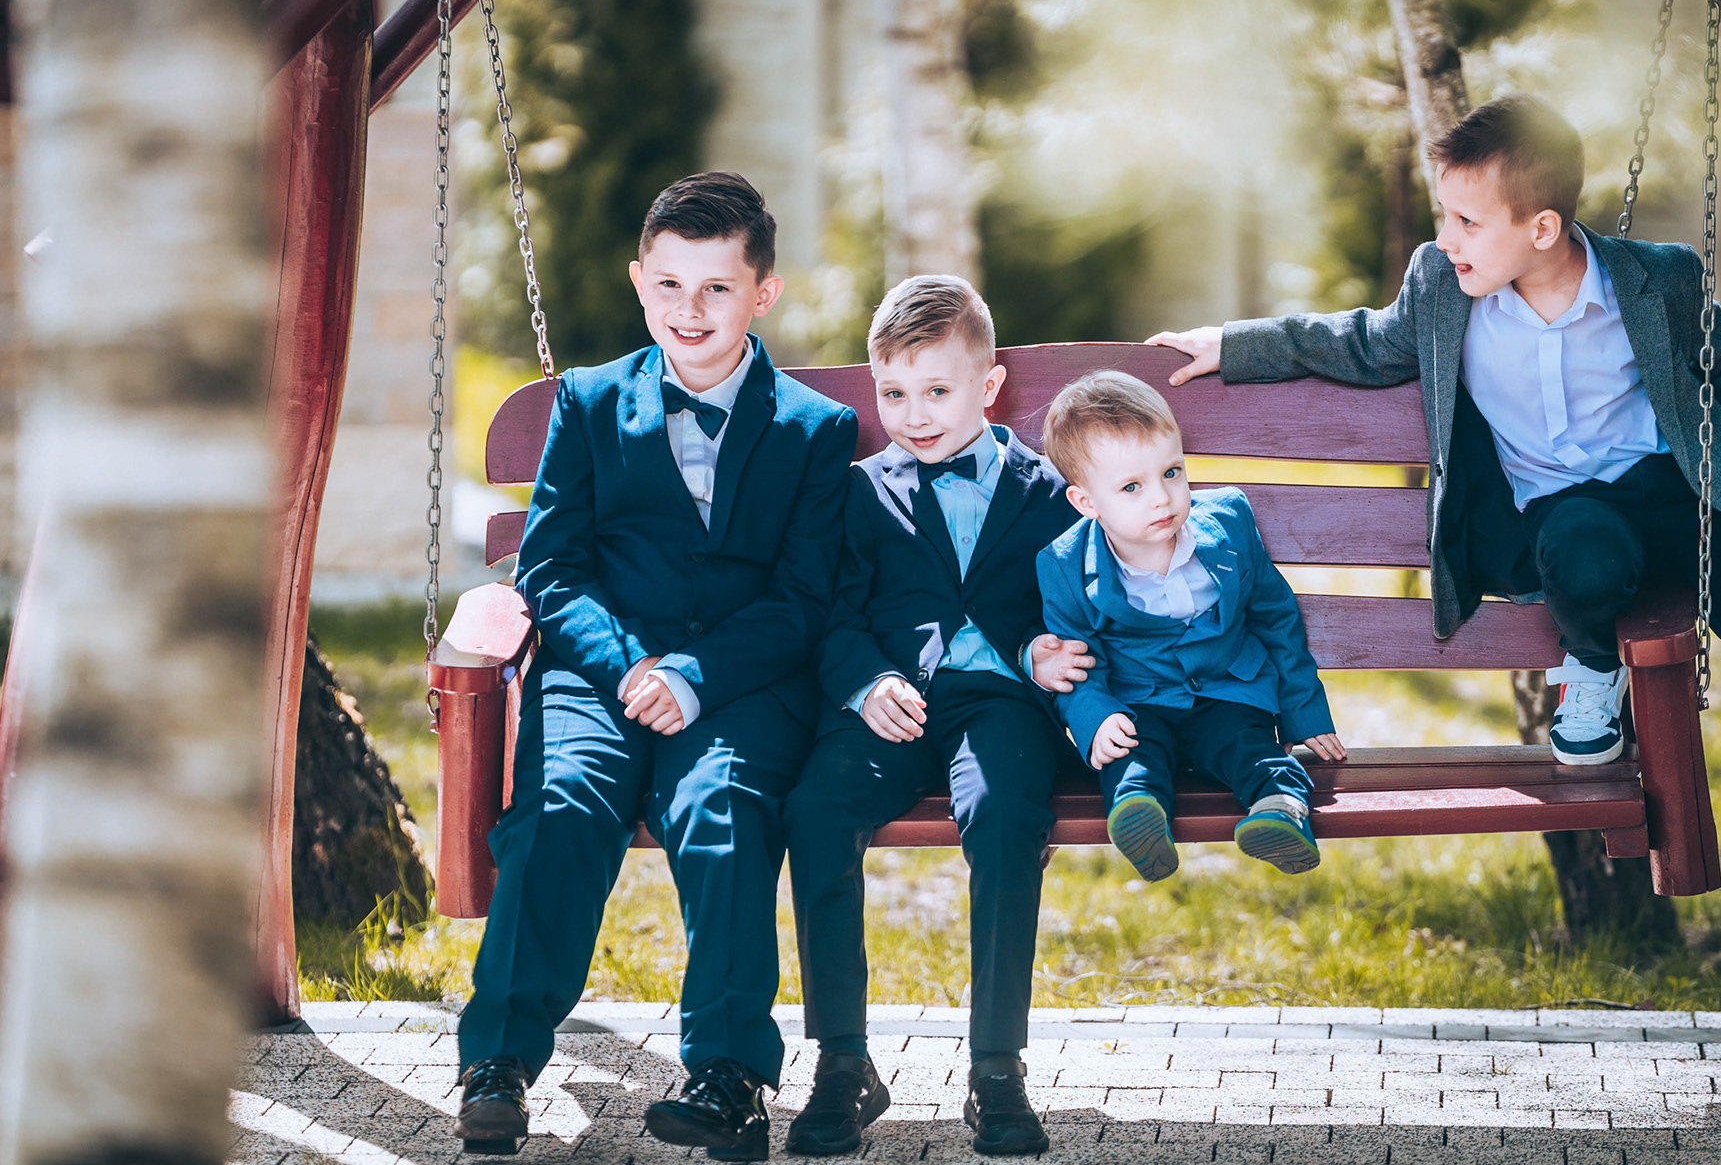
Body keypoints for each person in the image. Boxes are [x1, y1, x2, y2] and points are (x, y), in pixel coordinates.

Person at [1147, 94, 1721, 1031]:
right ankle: (1590, 669)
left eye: (1468, 221)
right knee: (1581, 547)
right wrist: (1233, 345)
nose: (1446, 239)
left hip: (1685, 500)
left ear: (1542, 227)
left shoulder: (1657, 279)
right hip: (1569, 518)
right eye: (1444, 215)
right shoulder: (1442, 287)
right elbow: (1365, 341)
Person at [453, 172, 860, 1159]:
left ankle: (727, 1072)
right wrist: (634, 664)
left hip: (740, 683)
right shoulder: (591, 402)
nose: (690, 308)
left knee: (725, 813)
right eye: (670, 284)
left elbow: (803, 597)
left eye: (717, 287)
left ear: (763, 292)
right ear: (640, 282)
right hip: (600, 674)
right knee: (560, 808)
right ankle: (499, 1057)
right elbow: (552, 568)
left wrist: (694, 675)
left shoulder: (815, 428)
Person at [782, 276, 1089, 1158]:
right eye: (894, 393)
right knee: (817, 810)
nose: (913, 416)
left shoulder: (1048, 491)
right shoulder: (859, 491)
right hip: (889, 701)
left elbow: (1083, 597)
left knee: (1004, 814)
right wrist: (865, 683)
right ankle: (843, 1060)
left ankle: (996, 1065)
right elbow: (834, 614)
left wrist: (1048, 651)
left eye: (937, 391)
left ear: (989, 387)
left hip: (1002, 702)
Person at [1035, 370, 1346, 884]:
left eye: (1171, 472)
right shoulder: (1064, 565)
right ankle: (1140, 817)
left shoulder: (1229, 521)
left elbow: (1276, 617)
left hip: (1228, 692)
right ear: (1086, 503)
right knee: (1130, 757)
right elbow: (1077, 658)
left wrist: (1302, 712)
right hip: (1138, 702)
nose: (1161, 497)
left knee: (1251, 750)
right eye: (1131, 487)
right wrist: (1096, 718)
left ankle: (1280, 812)